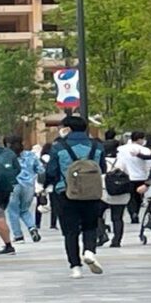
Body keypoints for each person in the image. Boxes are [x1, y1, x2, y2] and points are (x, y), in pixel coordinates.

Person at [44, 116, 107, 278]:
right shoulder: (97, 146)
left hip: (66, 193)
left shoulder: (58, 147)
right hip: (92, 193)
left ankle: (75, 267)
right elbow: (102, 168)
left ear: (68, 128)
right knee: (90, 226)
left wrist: (45, 187)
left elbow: (51, 171)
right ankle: (89, 251)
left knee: (70, 232)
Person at [3, 135, 42, 246]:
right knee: (24, 210)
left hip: (13, 186)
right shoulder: (31, 155)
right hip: (29, 186)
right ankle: (32, 228)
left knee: (13, 211)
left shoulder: (6, 156)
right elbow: (40, 169)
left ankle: (18, 235)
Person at [117, 131, 151, 225]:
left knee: (130, 196)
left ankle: (132, 213)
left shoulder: (121, 149)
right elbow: (150, 164)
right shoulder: (145, 150)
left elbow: (119, 163)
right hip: (141, 176)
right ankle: (136, 212)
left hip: (126, 176)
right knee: (138, 196)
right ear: (140, 139)